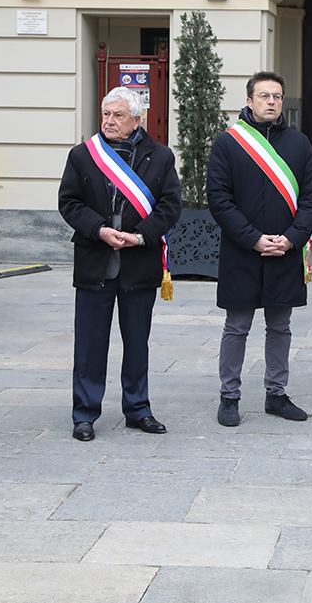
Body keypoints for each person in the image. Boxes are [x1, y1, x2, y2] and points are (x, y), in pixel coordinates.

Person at [58, 87, 182, 442]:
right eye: (106, 115)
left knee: (137, 342)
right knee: (89, 344)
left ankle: (138, 409)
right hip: (95, 260)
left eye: (118, 116)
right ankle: (84, 414)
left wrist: (140, 235)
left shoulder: (160, 156)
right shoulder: (83, 155)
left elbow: (170, 206)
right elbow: (69, 203)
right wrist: (98, 229)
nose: (110, 122)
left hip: (139, 261)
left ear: (137, 120)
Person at [208, 71, 312, 426]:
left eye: (277, 96)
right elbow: (219, 199)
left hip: (285, 250)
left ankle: (276, 394)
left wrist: (292, 237)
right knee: (237, 325)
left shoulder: (299, 144)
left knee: (281, 325)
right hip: (243, 251)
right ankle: (229, 397)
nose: (271, 101)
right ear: (249, 101)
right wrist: (252, 238)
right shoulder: (228, 143)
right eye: (264, 96)